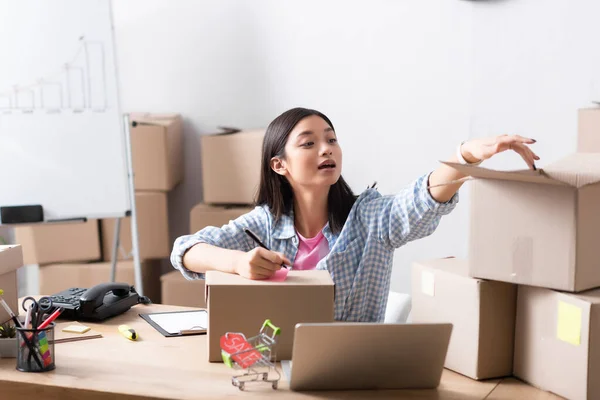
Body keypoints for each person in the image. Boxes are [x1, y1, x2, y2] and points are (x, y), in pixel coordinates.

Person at [170, 107, 538, 322]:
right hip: (278, 371)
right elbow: (186, 250)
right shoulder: (264, 224)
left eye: (331, 139)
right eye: (309, 143)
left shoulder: (370, 219)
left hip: (354, 374)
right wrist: (237, 263)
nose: (326, 149)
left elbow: (420, 202)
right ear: (279, 164)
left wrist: (465, 159)